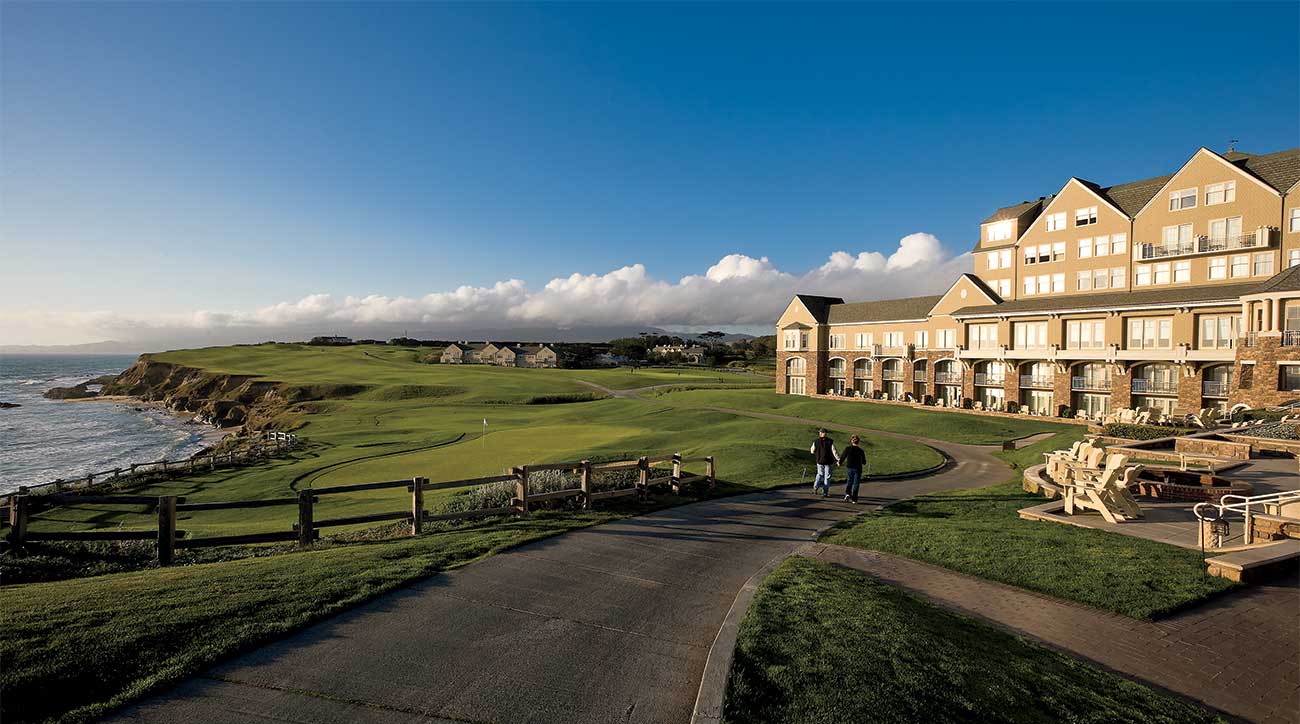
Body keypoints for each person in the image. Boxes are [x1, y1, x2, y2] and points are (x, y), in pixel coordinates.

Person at [809, 428, 838, 497]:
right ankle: (825, 492)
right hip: (828, 462)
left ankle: (815, 488)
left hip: (819, 461)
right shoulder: (830, 441)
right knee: (827, 477)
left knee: (819, 474)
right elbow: (834, 452)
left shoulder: (816, 441)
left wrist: (817, 452)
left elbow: (812, 451)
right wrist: (838, 459)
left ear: (821, 433)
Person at [840, 434, 867, 503]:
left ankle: (848, 493)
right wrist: (862, 462)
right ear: (858, 442)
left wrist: (839, 463)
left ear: (851, 441)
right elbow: (864, 461)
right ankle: (854, 499)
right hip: (858, 468)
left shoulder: (848, 449)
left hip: (849, 467)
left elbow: (843, 456)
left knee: (849, 481)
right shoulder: (861, 451)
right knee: (856, 483)